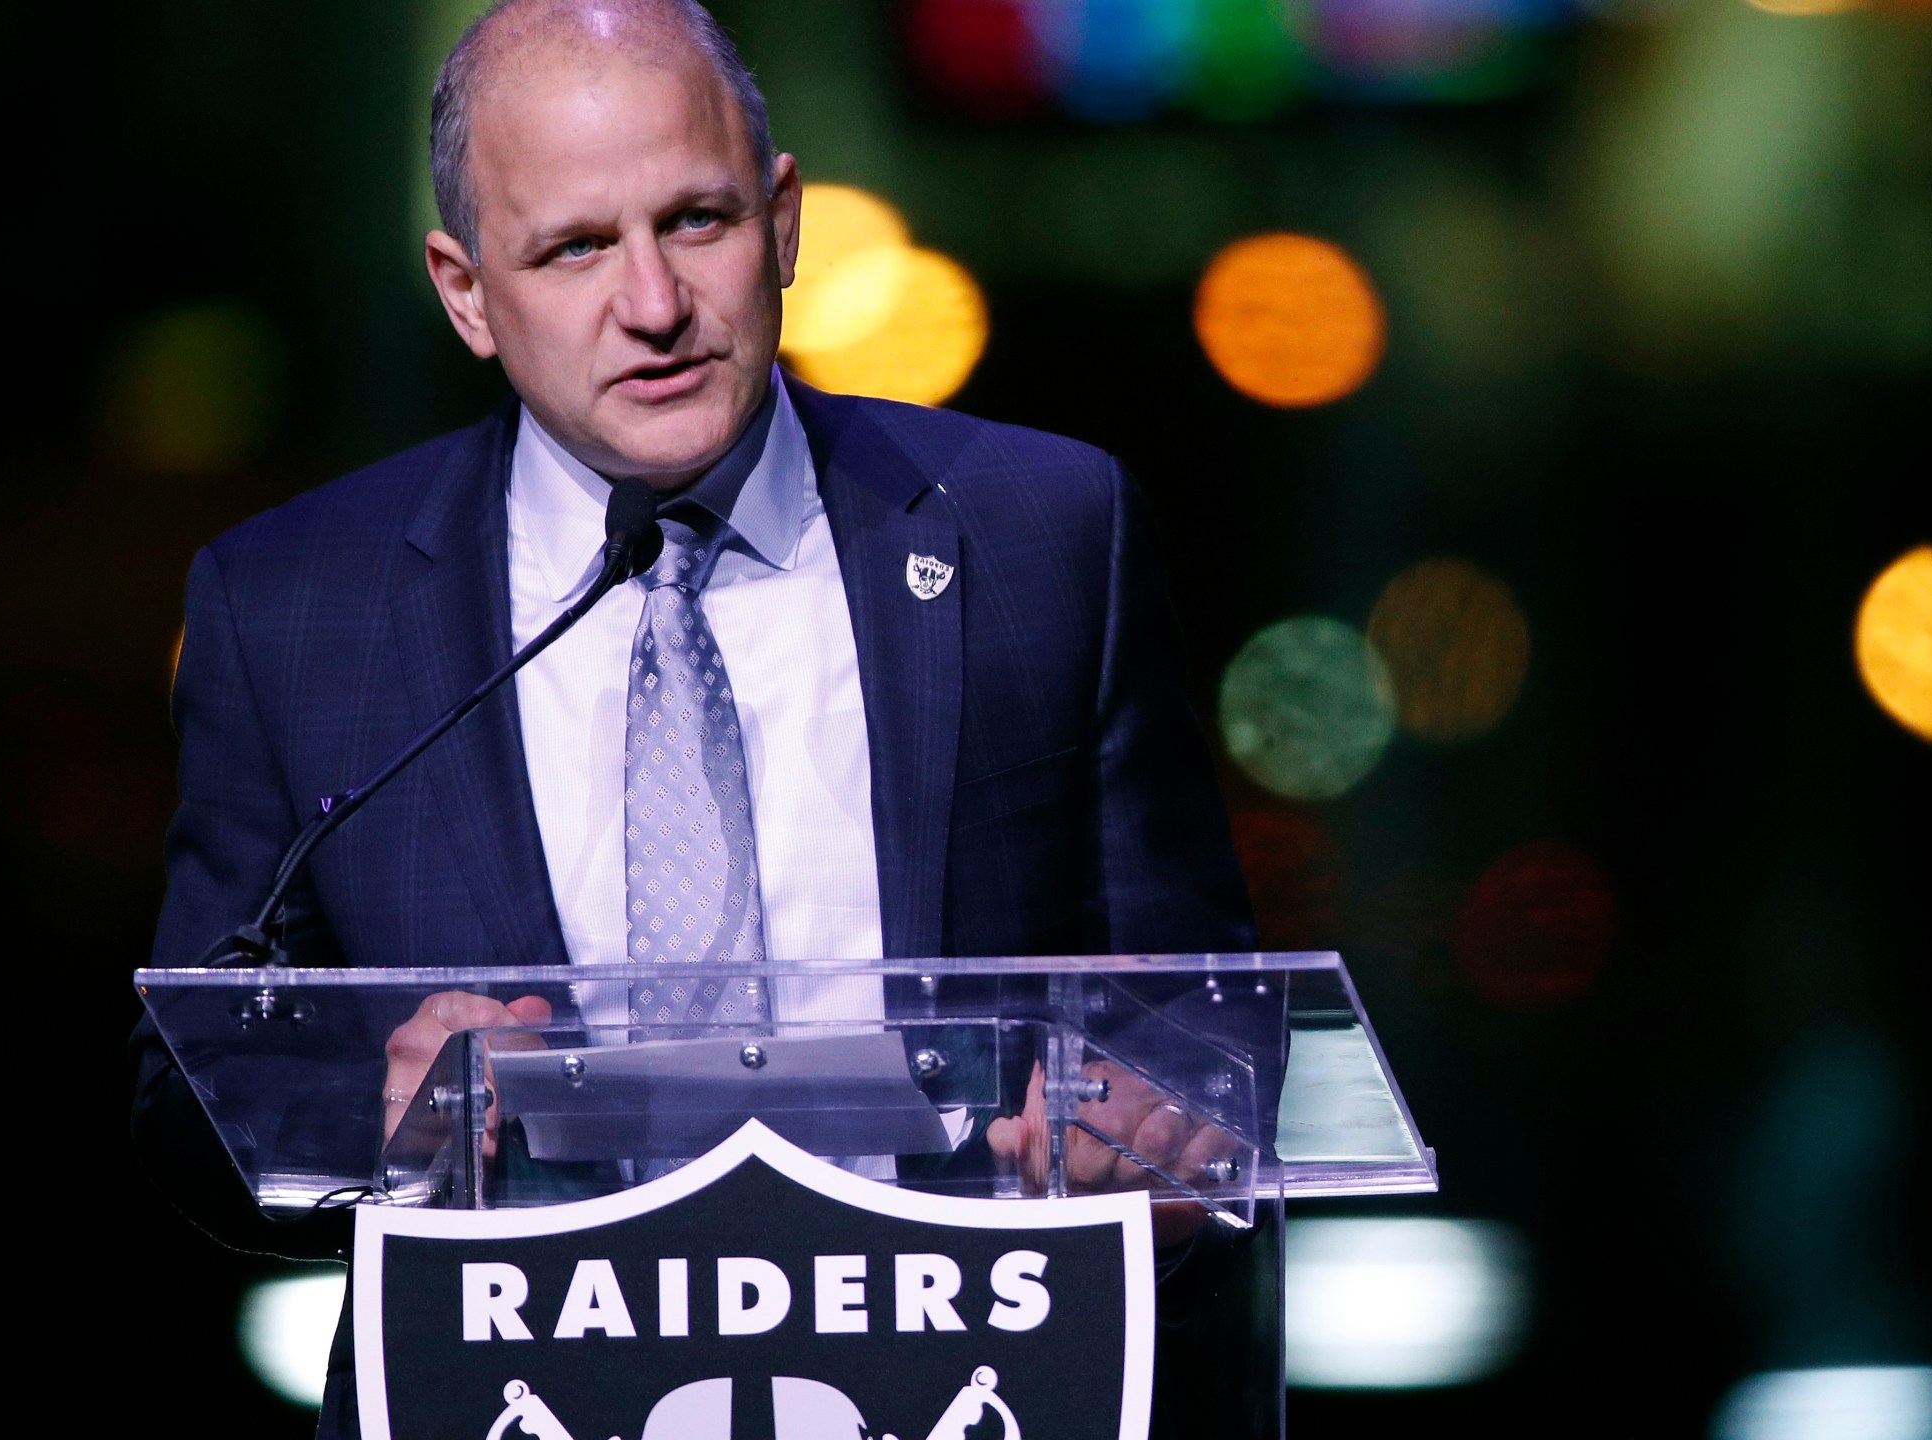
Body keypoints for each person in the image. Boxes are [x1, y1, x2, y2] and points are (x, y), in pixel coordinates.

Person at [128, 0, 1255, 1426]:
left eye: (699, 222)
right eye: (576, 248)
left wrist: (1147, 1146)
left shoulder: (1040, 532)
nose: (653, 304)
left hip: (972, 1390)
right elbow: (192, 1084)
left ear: (784, 222)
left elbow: (1202, 1020)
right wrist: (378, 1113)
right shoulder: (294, 607)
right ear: (467, 291)